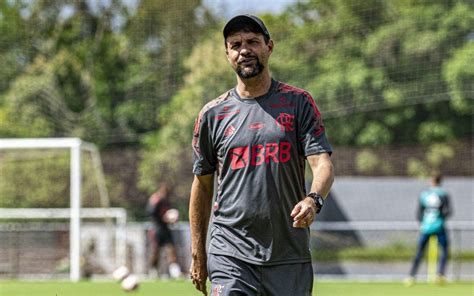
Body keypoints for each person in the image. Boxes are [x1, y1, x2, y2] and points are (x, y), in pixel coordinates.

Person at [189, 14, 334, 296]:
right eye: (236, 44)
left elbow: (322, 164)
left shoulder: (298, 103)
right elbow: (202, 185)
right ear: (228, 54)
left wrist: (313, 200)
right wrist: (198, 252)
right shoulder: (212, 114)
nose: (245, 50)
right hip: (230, 252)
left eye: (253, 42)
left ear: (269, 46)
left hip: (288, 255)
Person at [406, 171, 452, 286]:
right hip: (439, 226)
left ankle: (411, 276)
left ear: (431, 181)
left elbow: (419, 211)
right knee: (445, 250)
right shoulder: (444, 194)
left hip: (426, 227)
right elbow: (448, 211)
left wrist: (421, 223)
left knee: (420, 251)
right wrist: (440, 218)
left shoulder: (424, 194)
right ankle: (440, 275)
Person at [147, 183, 182, 279]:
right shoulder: (156, 199)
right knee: (155, 251)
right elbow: (151, 213)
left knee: (171, 249)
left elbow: (169, 214)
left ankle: (175, 272)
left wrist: (172, 219)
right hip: (157, 229)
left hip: (166, 229)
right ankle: (153, 271)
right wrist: (164, 218)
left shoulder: (167, 201)